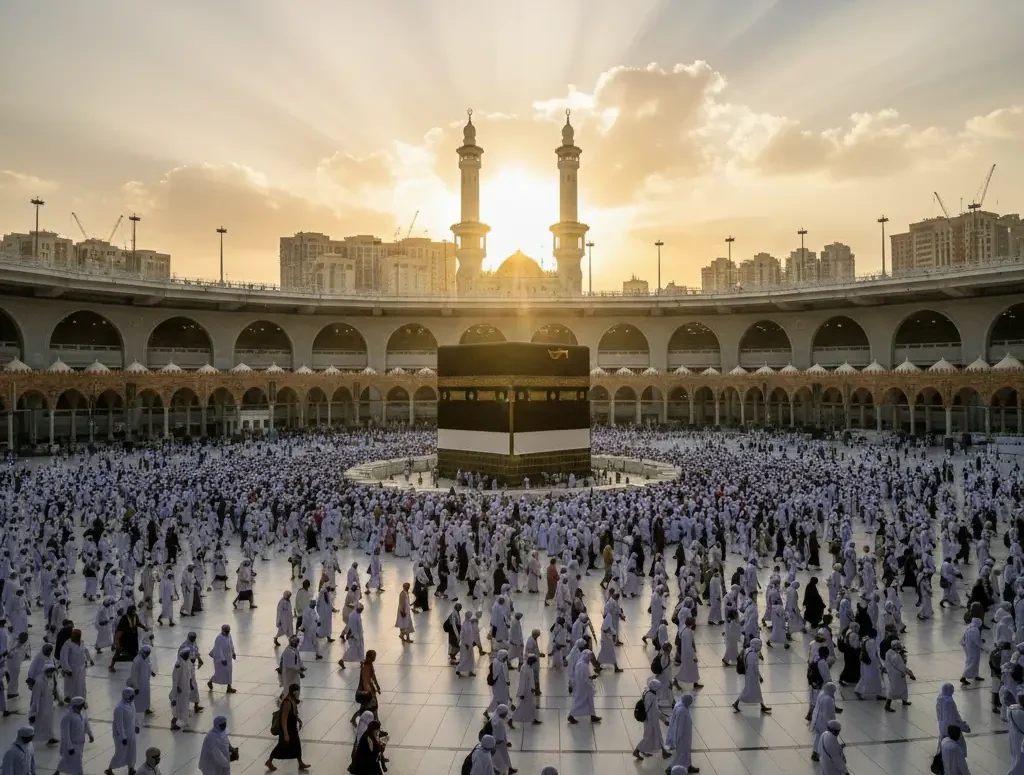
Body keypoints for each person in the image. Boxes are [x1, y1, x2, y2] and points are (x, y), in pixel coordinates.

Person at [266, 683, 309, 772]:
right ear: (294, 692)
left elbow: (293, 714)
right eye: (297, 691)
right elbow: (284, 719)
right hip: (287, 729)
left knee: (297, 745)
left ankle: (300, 763)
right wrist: (285, 734)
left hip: (292, 728)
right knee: (281, 746)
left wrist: (298, 720)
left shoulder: (292, 700)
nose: (298, 693)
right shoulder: (287, 702)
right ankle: (269, 761)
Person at [105, 687, 139, 775]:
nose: (133, 697)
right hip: (121, 735)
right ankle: (110, 769)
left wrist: (136, 726)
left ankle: (131, 768)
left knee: (132, 751)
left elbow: (134, 716)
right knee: (120, 753)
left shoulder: (131, 704)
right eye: (132, 696)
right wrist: (123, 737)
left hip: (131, 733)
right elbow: (119, 724)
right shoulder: (119, 708)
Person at [731, 638, 771, 714]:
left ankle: (762, 706)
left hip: (748, 673)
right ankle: (736, 703)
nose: (760, 647)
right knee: (748, 690)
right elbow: (755, 668)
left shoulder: (747, 650)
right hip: (752, 675)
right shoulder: (753, 654)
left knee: (755, 691)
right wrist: (760, 677)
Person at [56, 696, 94, 775]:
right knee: (77, 764)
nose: (83, 706)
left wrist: (90, 734)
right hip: (72, 744)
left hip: (80, 743)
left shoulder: (82, 714)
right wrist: (70, 747)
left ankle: (57, 771)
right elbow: (65, 734)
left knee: (67, 759)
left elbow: (86, 725)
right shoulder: (68, 717)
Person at [633, 678, 667, 760]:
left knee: (655, 736)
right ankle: (637, 750)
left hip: (649, 720)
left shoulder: (647, 693)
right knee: (648, 737)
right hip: (651, 721)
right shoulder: (652, 698)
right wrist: (664, 719)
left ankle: (663, 751)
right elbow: (656, 711)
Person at [665, 695, 697, 774]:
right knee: (682, 755)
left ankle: (688, 766)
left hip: (685, 737)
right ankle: (671, 768)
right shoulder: (682, 711)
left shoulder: (681, 706)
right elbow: (680, 727)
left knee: (686, 754)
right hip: (682, 738)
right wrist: (678, 739)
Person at [352, 650, 381, 724]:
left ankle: (374, 720)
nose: (375, 658)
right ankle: (374, 720)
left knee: (369, 706)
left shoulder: (370, 664)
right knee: (371, 705)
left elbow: (373, 676)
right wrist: (370, 691)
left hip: (369, 688)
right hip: (365, 690)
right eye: (374, 656)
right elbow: (365, 681)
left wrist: (377, 686)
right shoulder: (366, 667)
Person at [207, 624, 237, 694]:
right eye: (226, 631)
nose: (227, 633)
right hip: (220, 660)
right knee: (219, 674)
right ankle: (210, 682)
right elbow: (218, 650)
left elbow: (231, 644)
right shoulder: (219, 638)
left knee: (229, 672)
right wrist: (223, 659)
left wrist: (233, 652)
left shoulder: (229, 635)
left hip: (228, 658)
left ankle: (229, 688)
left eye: (228, 631)